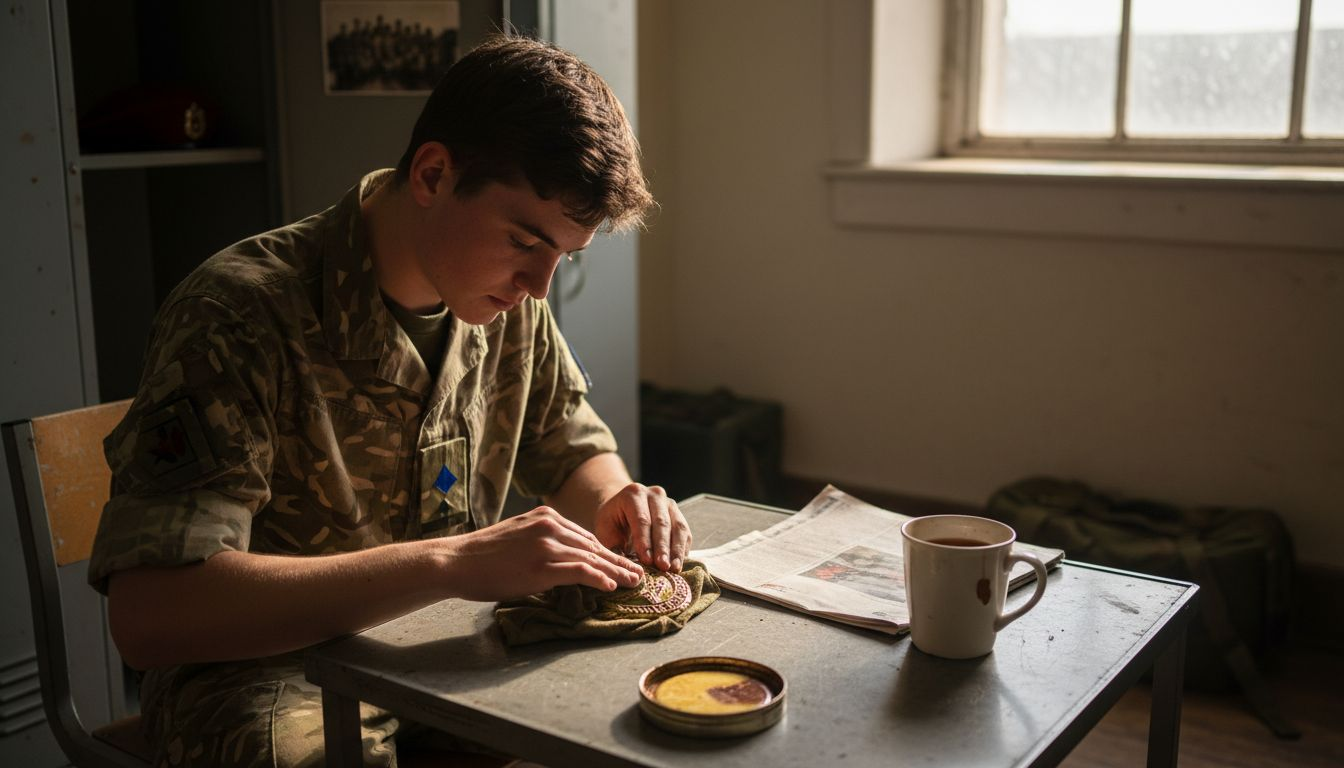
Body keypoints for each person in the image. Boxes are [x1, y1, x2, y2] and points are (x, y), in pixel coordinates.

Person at [88, 35, 685, 768]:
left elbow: (570, 444)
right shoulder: (240, 312)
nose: (540, 285)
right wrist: (450, 563)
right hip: (266, 670)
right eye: (525, 240)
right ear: (433, 174)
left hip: (451, 639)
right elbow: (154, 615)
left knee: (639, 723)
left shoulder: (505, 303)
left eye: (564, 256)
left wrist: (614, 501)